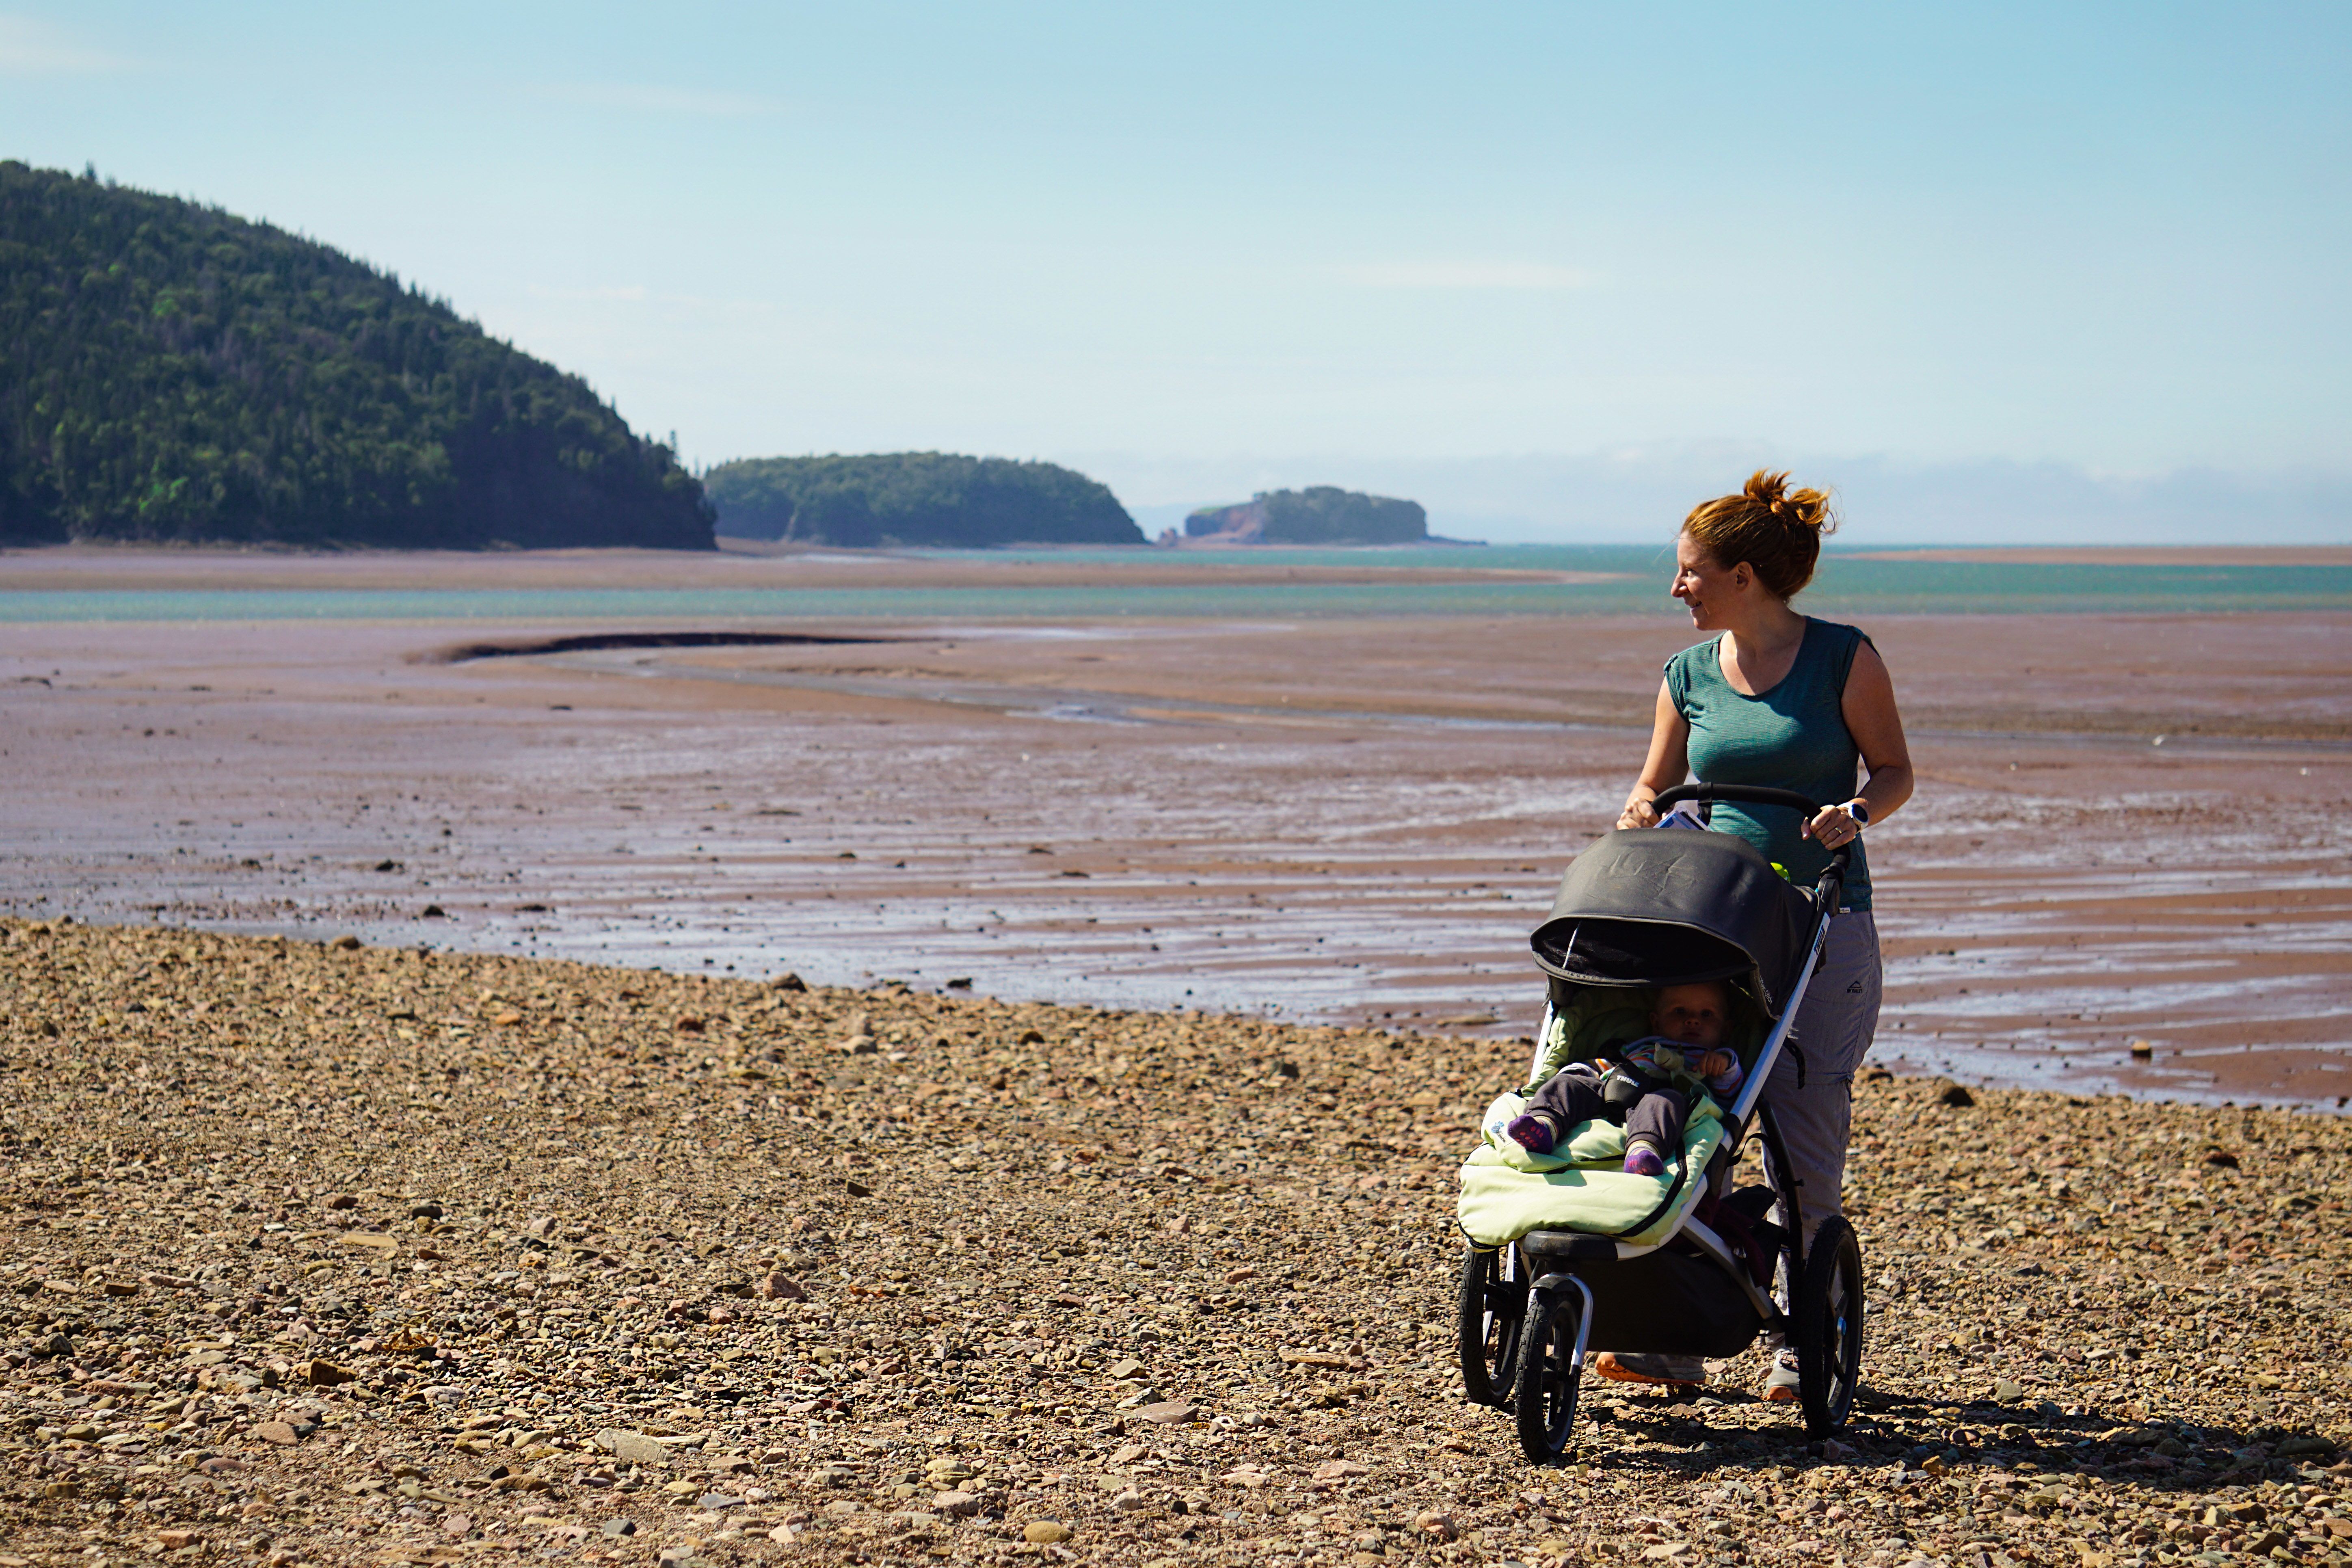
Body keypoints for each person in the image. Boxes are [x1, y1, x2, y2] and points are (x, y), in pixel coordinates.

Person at [1595, 471, 1914, 1400]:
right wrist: (1639, 809)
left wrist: (1855, 810)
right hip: (1716, 929)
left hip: (1822, 926)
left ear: (1742, 575)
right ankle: (1672, 1332)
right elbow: (1651, 787)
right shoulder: (1684, 674)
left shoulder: (1842, 659)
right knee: (1695, 1122)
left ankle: (1797, 1340)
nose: (1676, 588)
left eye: (1689, 570)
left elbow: (1895, 771)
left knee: (1801, 1146)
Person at [1502, 980, 1746, 1176]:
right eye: (1679, 1011)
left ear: (1726, 1029)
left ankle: (1642, 1150)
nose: (1693, 1020)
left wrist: (1724, 1067)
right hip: (1614, 1088)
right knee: (1567, 1083)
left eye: (1707, 1014)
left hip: (1665, 1103)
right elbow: (1606, 1066)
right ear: (1656, 1022)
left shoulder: (1711, 1060)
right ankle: (1544, 1124)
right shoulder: (1641, 1048)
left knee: (1664, 1101)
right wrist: (1579, 1073)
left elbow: (1729, 1097)